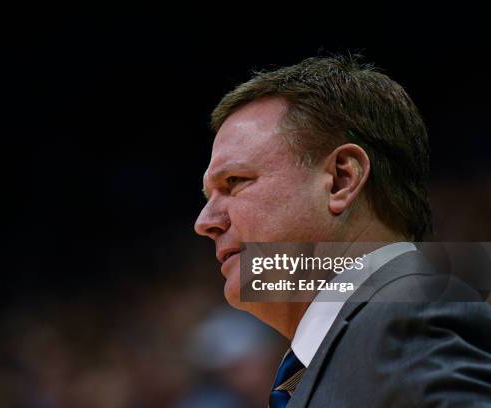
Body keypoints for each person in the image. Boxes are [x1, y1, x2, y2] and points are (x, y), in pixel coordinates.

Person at [194, 55, 491, 407]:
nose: (205, 222)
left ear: (341, 180)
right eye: (208, 196)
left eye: (234, 182)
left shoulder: (408, 315)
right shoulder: (351, 343)